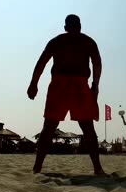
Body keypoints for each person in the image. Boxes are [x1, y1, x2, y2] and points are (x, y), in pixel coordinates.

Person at [27, 14, 105, 175]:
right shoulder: (87, 41)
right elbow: (97, 65)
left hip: (62, 84)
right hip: (73, 84)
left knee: (50, 127)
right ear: (80, 26)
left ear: (65, 27)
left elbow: (41, 63)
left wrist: (34, 83)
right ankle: (97, 168)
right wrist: (95, 85)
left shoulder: (58, 41)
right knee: (84, 127)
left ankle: (37, 168)